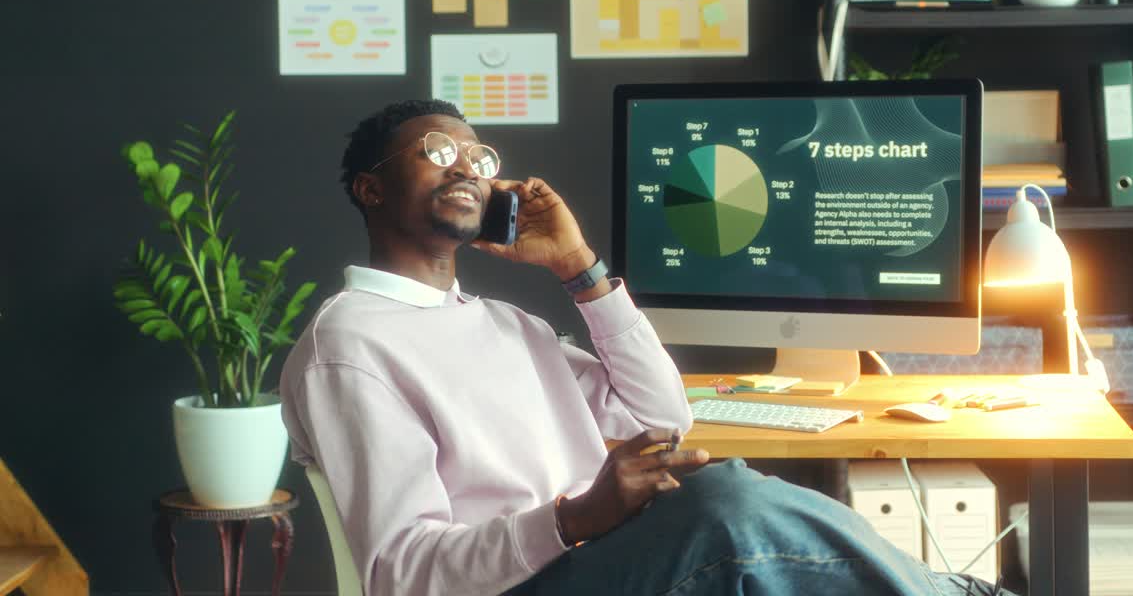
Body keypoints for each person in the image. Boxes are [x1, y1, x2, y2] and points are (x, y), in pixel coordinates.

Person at [280, 100, 1012, 596]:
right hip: (526, 582)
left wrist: (581, 271)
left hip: (591, 558)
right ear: (371, 190)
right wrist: (574, 519)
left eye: (479, 154)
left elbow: (663, 417)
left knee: (727, 489)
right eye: (438, 151)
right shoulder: (352, 342)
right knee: (727, 504)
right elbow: (401, 573)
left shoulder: (505, 325)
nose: (467, 166)